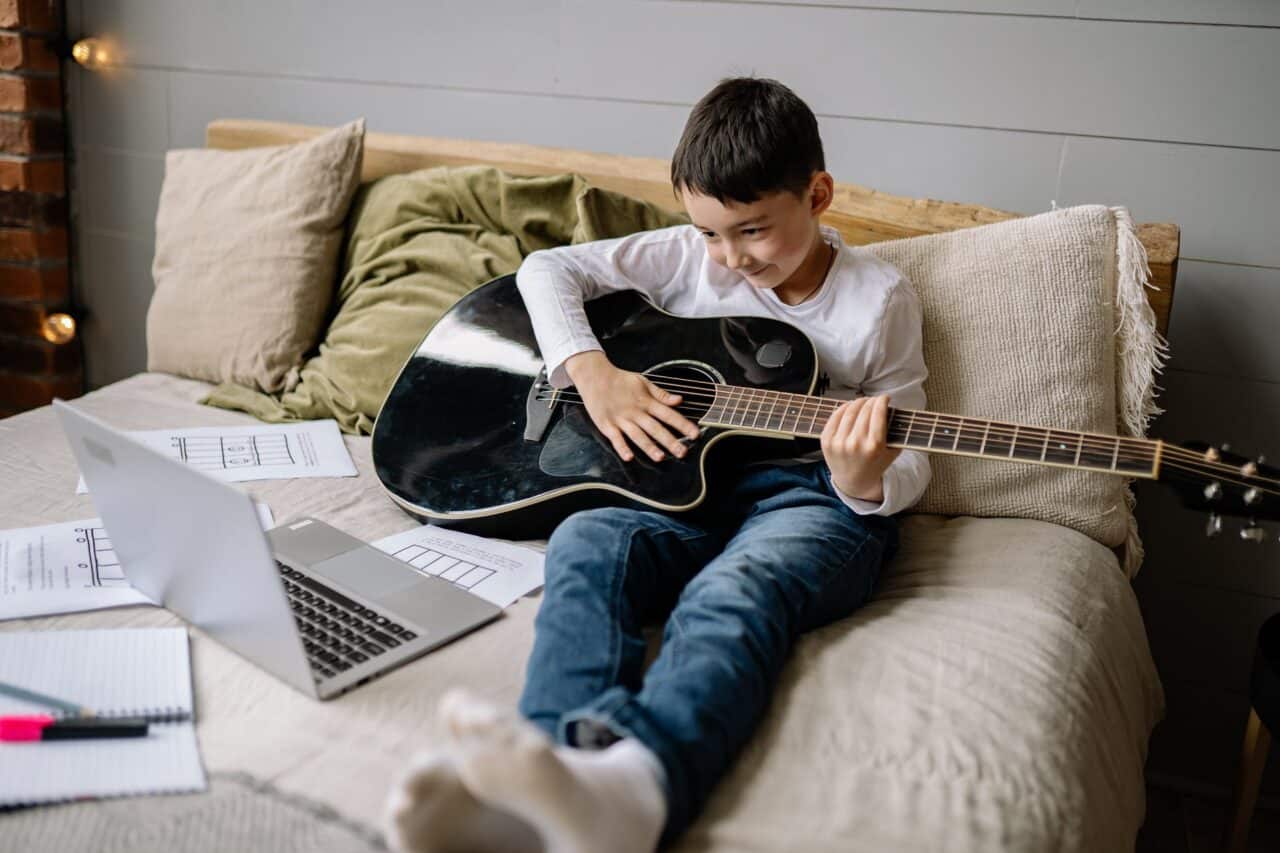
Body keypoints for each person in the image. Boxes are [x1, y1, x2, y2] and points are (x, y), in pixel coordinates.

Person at [384, 76, 931, 853]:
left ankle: (637, 789)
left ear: (818, 194)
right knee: (584, 543)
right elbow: (546, 270)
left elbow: (914, 451)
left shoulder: (879, 301)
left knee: (734, 590)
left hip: (810, 497)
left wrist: (865, 476)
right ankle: (552, 784)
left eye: (753, 230)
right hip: (679, 487)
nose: (731, 258)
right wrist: (592, 372)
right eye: (710, 232)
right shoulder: (689, 260)